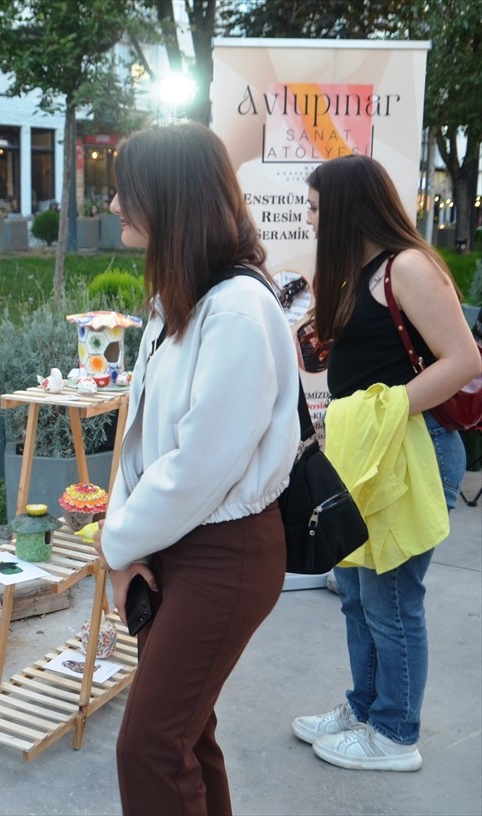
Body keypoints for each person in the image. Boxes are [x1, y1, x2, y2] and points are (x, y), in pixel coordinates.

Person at [92, 122, 300, 815]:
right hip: (176, 542)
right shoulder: (182, 300)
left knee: (149, 747)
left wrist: (115, 544)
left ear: (170, 199)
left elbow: (199, 466)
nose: (115, 205)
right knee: (187, 737)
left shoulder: (238, 310)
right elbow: (144, 441)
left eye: (127, 191)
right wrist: (124, 546)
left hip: (224, 552)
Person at [292, 155, 480, 772]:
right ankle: (366, 708)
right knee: (353, 591)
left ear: (347, 207)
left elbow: (464, 359)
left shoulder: (410, 267)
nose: (311, 219)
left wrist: (390, 407)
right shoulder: (360, 271)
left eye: (317, 208)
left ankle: (397, 733)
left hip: (414, 449)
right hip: (366, 451)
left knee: (392, 597)